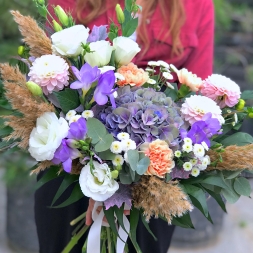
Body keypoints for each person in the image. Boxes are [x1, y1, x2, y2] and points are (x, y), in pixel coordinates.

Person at [35, 0, 214, 252]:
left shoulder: (197, 5)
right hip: (73, 161)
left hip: (154, 181)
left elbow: (200, 99)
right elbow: (49, 77)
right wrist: (95, 170)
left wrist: (130, 182)